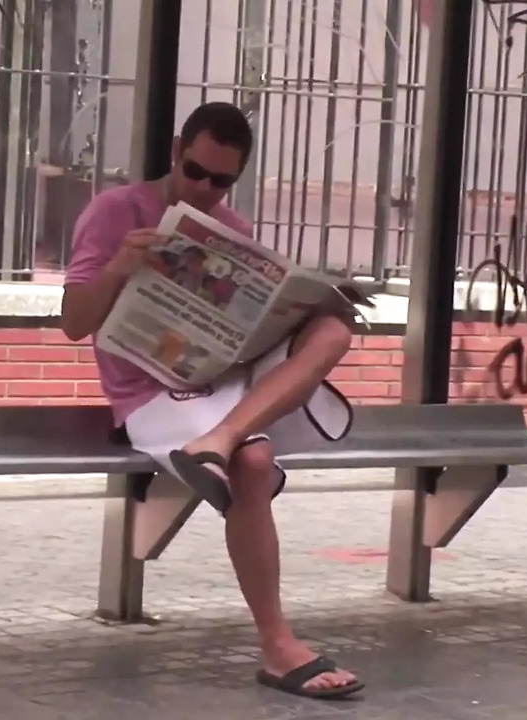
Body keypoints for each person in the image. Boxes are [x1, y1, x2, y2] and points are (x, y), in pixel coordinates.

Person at [59, 102, 363, 700]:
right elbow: (74, 324)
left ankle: (218, 440)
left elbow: (244, 330)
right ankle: (278, 646)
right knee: (254, 462)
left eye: (220, 180)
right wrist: (120, 265)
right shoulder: (114, 212)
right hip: (149, 391)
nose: (204, 188)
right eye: (194, 171)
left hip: (220, 379)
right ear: (176, 151)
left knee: (334, 328)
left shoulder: (232, 228)